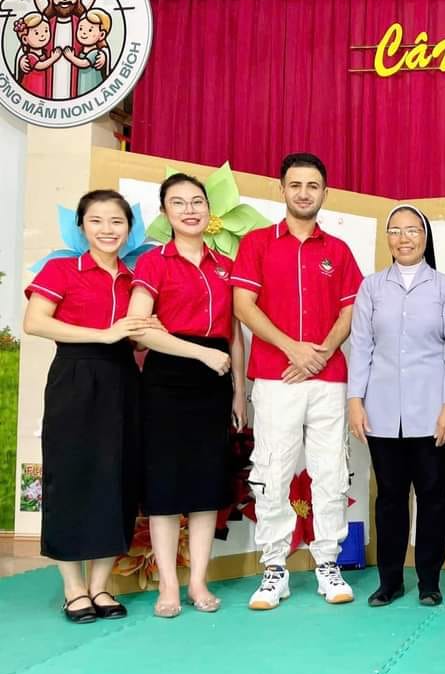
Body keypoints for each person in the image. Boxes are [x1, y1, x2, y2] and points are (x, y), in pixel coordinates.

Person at [232, 152, 362, 610]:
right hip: (275, 376)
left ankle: (328, 563)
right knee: (272, 470)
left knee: (331, 471)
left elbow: (351, 310)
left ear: (325, 192)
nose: (304, 193)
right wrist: (293, 349)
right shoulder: (257, 243)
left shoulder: (338, 250)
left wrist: (320, 353)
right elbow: (243, 305)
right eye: (296, 185)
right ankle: (274, 568)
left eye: (312, 186)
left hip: (329, 379)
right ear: (282, 189)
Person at [23, 190, 159, 622]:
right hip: (75, 376)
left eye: (117, 221)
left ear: (129, 229)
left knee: (116, 478)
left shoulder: (135, 278)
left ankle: (100, 586)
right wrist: (104, 334)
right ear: (81, 226)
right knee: (71, 476)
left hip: (123, 379)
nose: (107, 229)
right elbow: (35, 322)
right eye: (96, 220)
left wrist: (143, 334)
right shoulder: (62, 269)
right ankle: (73, 588)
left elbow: (133, 338)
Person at [128, 173, 248, 618]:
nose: (189, 209)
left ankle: (198, 581)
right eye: (178, 202)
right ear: (165, 213)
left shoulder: (226, 264)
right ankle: (168, 586)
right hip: (166, 378)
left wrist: (239, 392)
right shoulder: (153, 262)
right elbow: (139, 329)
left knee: (205, 485)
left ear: (209, 209)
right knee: (164, 486)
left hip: (215, 382)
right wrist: (199, 353)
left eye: (197, 201)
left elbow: (234, 336)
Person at [348, 204, 445, 607]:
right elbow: (361, 347)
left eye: (412, 230)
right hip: (382, 412)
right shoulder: (371, 288)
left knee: (433, 496)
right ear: (388, 239)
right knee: (389, 499)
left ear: (425, 237)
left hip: (432, 413)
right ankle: (390, 581)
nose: (404, 238)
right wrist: (355, 400)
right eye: (395, 231)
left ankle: (429, 581)